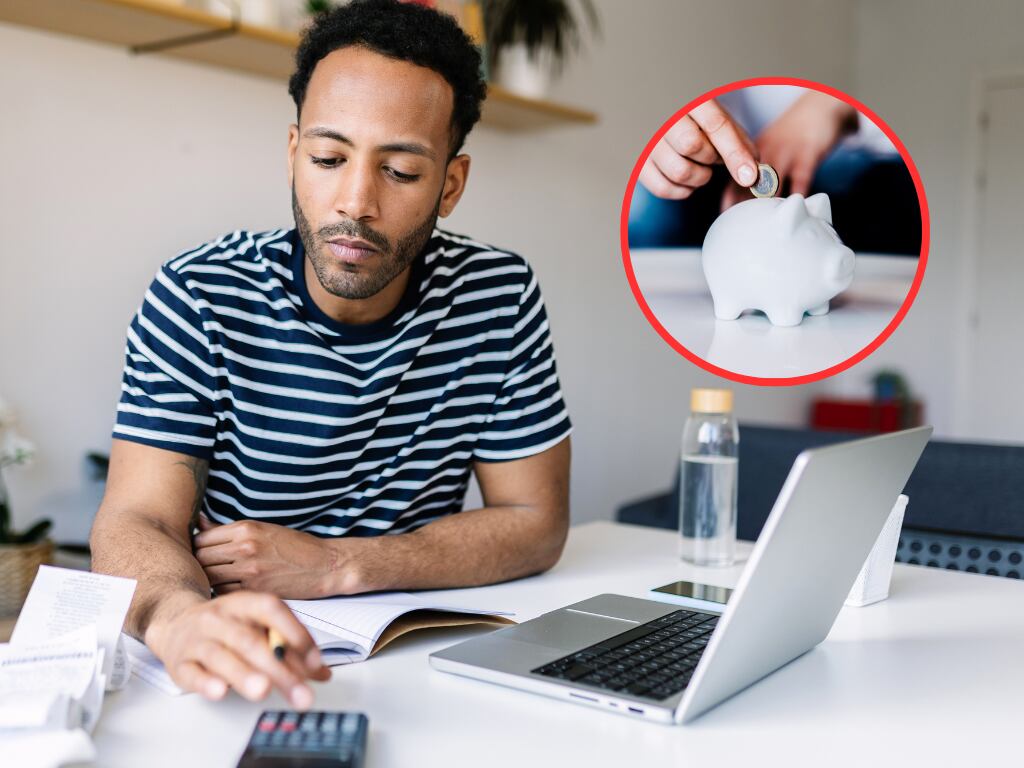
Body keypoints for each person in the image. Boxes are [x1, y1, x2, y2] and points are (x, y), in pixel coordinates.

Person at [90, 0, 572, 710]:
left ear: (451, 184)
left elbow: (536, 523)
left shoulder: (498, 295)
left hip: (417, 655)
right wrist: (180, 617)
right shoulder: (198, 294)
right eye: (327, 158)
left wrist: (339, 565)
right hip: (237, 656)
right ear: (293, 154)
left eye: (402, 172)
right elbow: (138, 519)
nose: (355, 202)